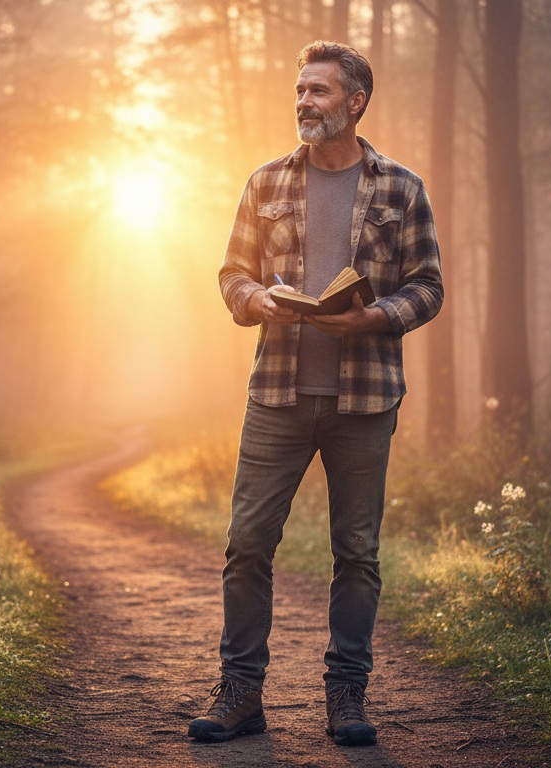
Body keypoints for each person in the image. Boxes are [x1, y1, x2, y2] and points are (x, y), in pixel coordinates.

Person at [188, 40, 443, 748]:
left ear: (355, 102)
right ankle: (240, 692)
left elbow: (428, 287)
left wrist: (375, 317)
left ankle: (346, 696)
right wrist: (254, 300)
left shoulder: (402, 188)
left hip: (365, 399)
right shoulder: (266, 181)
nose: (304, 101)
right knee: (247, 544)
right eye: (300, 90)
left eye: (319, 91)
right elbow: (232, 273)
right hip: (278, 394)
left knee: (356, 554)